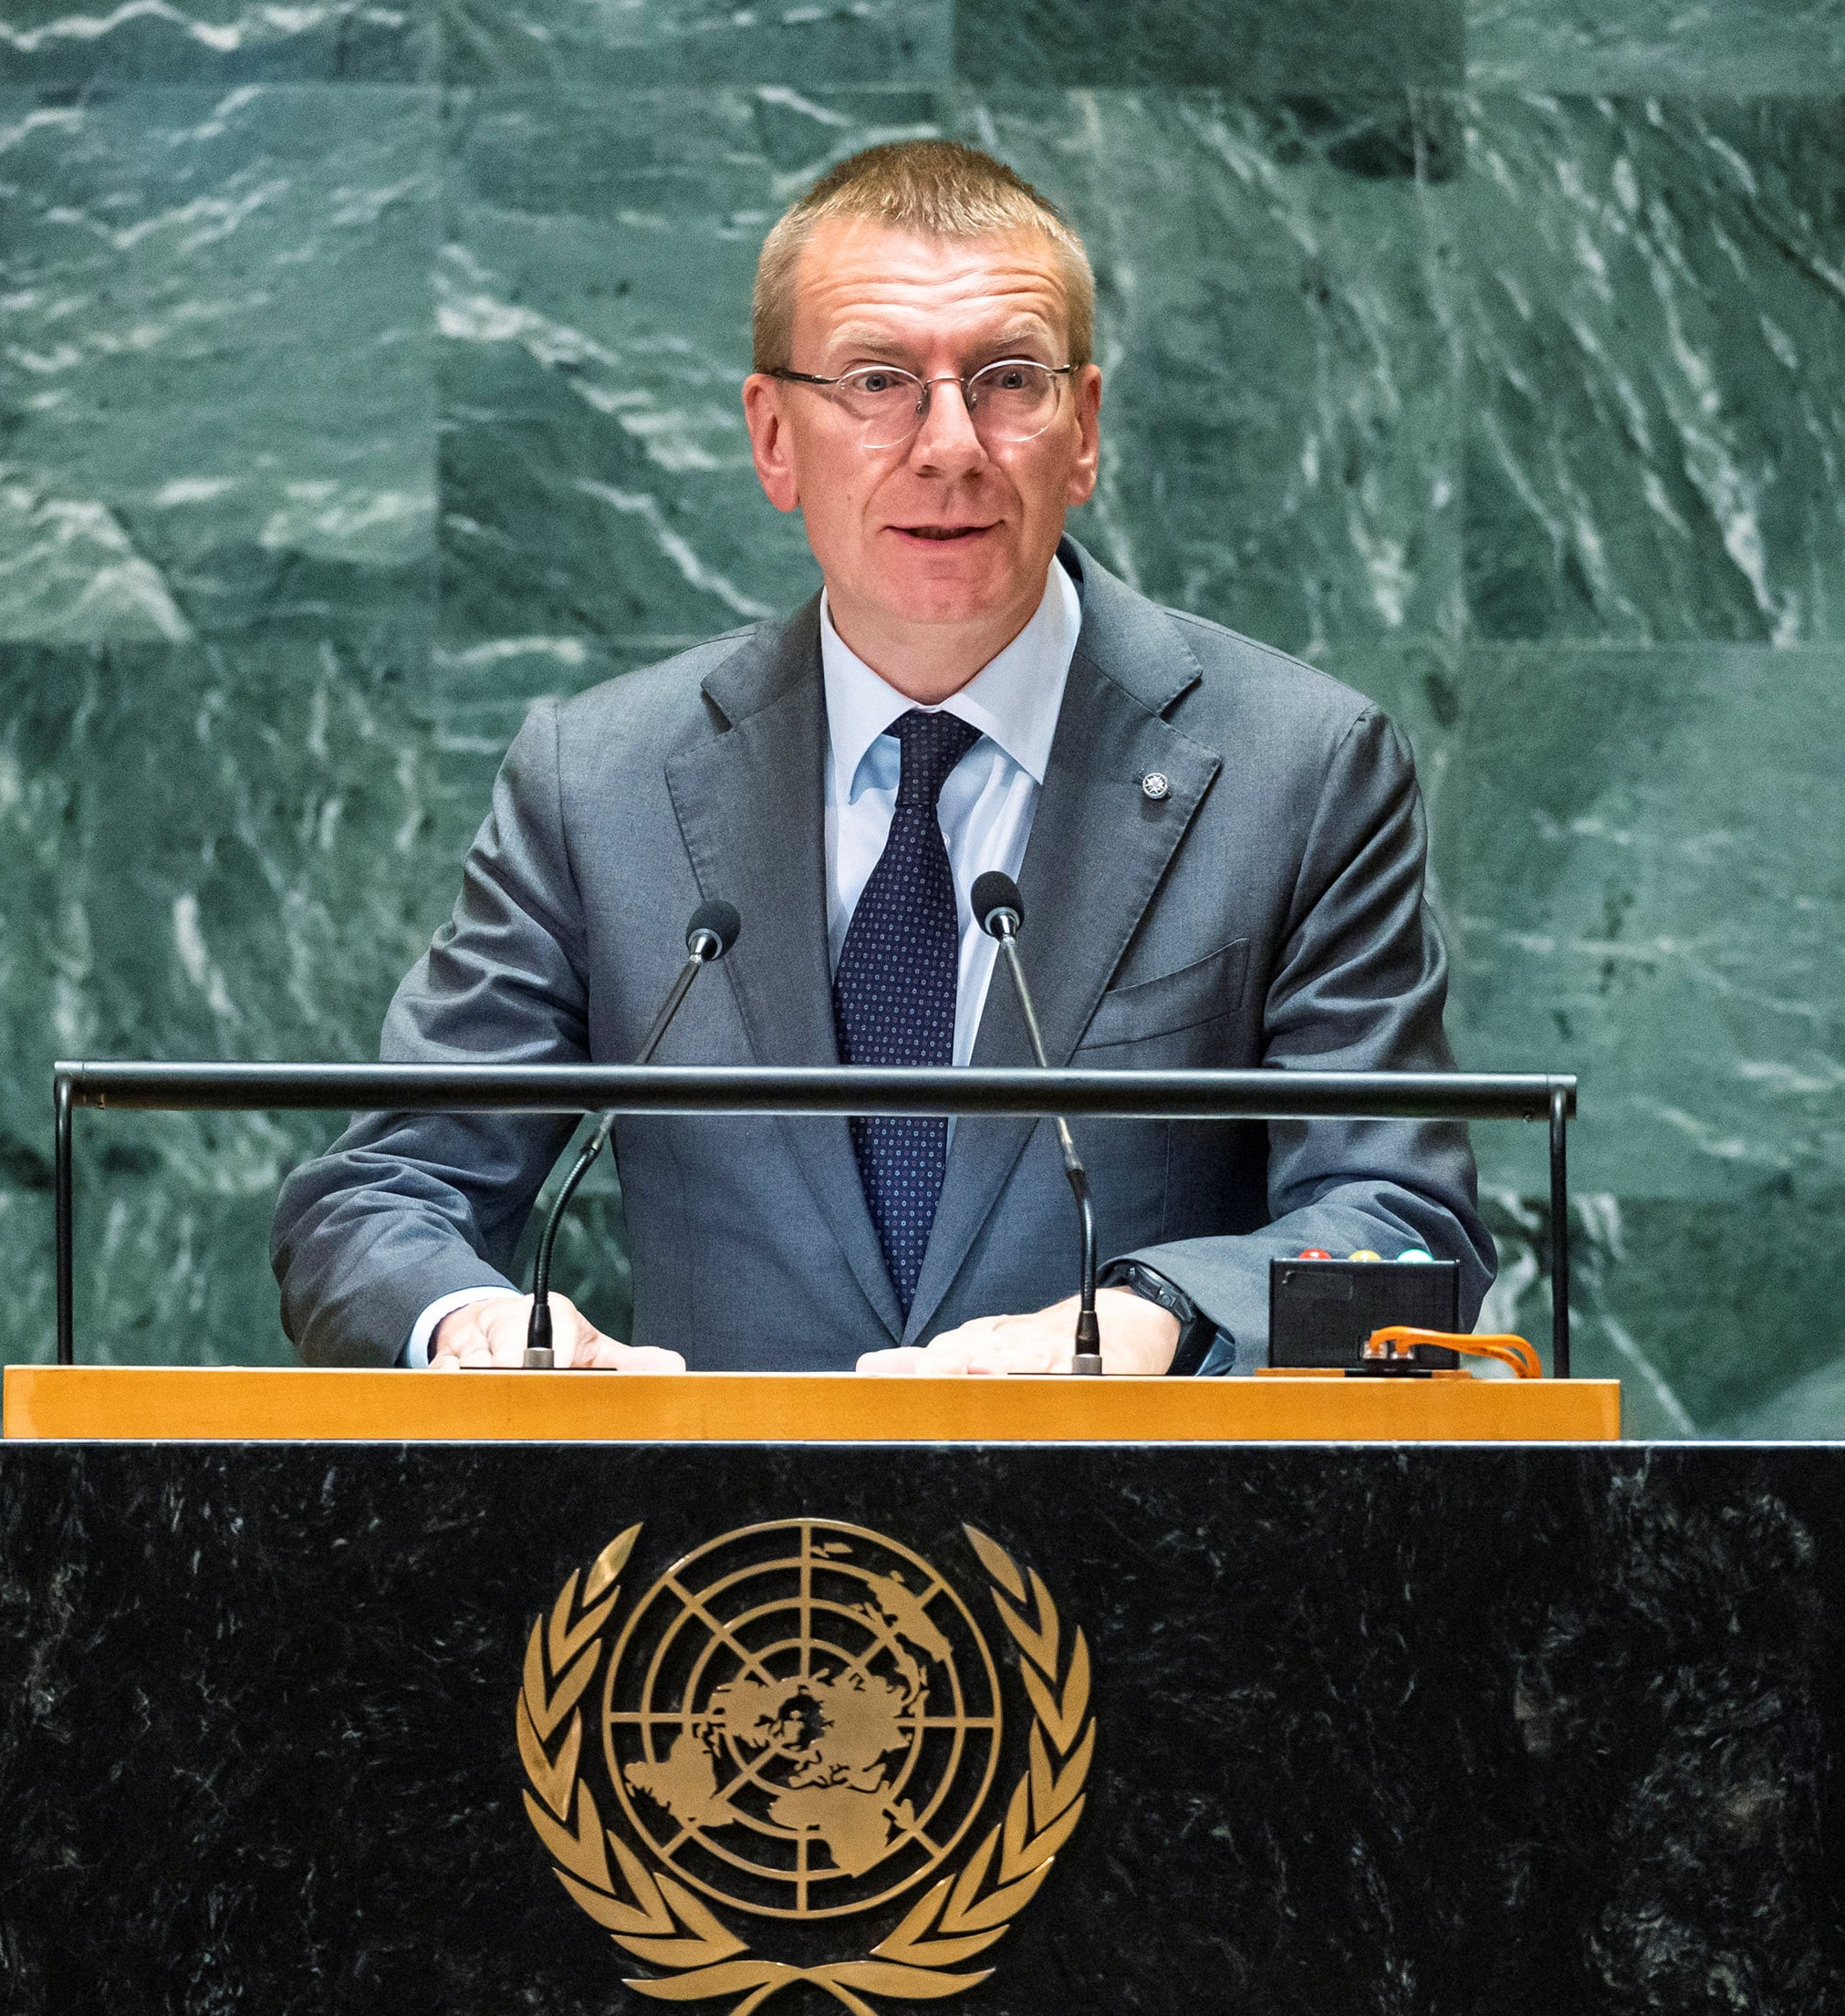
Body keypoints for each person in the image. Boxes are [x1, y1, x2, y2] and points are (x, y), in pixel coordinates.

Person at [273, 140, 1492, 1376]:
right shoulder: (597, 785)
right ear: (773, 437)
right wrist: (476, 1330)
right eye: (877, 380)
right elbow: (374, 1196)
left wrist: (1151, 1323)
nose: (950, 442)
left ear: (1085, 429)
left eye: (1010, 378)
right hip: (720, 1560)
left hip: (1146, 1545)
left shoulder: (1302, 771)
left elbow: (1403, 1235)